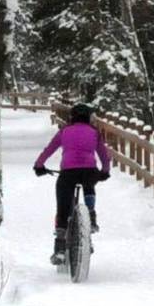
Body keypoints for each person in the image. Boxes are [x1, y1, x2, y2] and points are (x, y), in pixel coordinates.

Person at [35, 103, 112, 263]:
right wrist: (105, 171)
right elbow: (104, 154)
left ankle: (60, 248)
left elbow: (49, 149)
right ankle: (91, 214)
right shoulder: (94, 132)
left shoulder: (64, 131)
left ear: (72, 117)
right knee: (89, 185)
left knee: (63, 207)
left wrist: (39, 165)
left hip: (68, 172)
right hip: (89, 171)